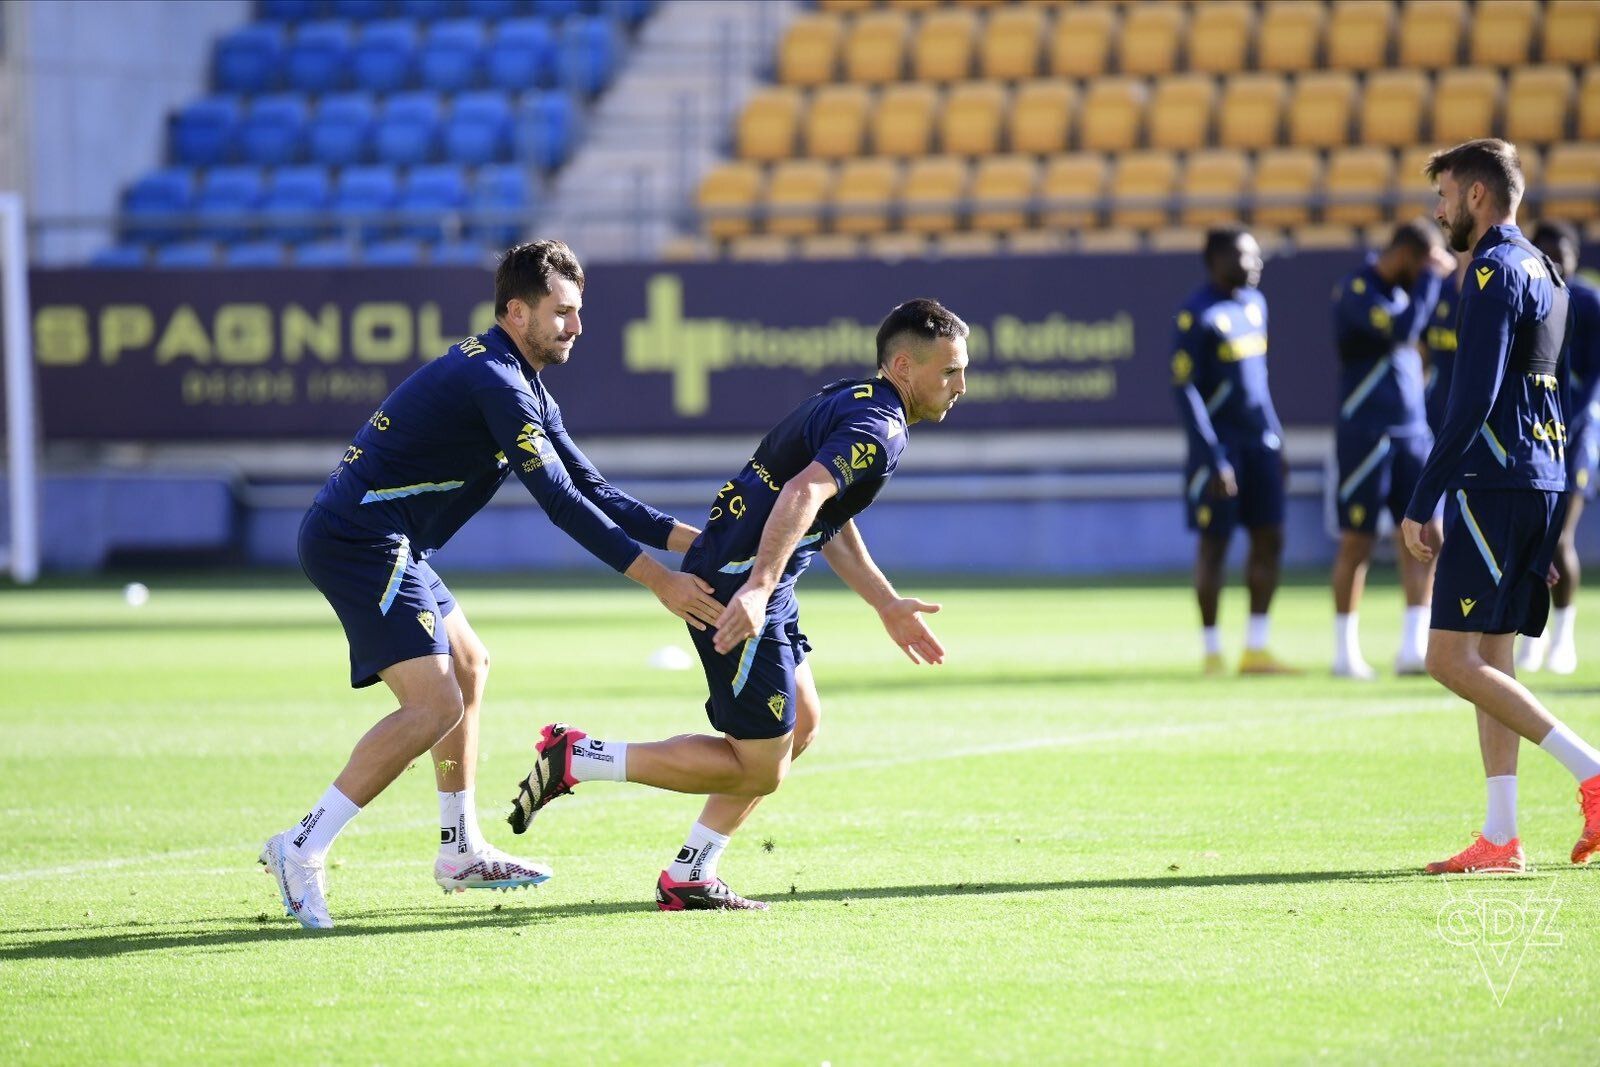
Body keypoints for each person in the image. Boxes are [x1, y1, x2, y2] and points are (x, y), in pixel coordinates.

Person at [261, 240, 723, 928]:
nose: (576, 326)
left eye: (578, 311)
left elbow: (594, 489)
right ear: (516, 311)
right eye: (561, 312)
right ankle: (302, 845)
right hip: (361, 539)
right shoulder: (498, 384)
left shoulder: (520, 379)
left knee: (469, 666)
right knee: (433, 703)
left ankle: (459, 848)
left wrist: (705, 543)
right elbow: (563, 504)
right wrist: (660, 580)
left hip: (391, 540)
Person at [505, 298, 967, 910]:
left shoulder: (855, 399)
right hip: (737, 588)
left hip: (756, 583)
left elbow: (826, 512)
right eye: (950, 371)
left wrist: (883, 603)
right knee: (759, 767)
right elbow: (804, 493)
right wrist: (756, 587)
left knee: (800, 724)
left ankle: (692, 873)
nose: (961, 385)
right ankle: (579, 758)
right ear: (904, 367)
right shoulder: (878, 428)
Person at [1399, 139, 1600, 874]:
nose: (1439, 209)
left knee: (1447, 657)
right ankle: (1501, 836)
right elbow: (1556, 387)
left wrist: (1425, 496)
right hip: (1542, 476)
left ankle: (1591, 769)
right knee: (1493, 655)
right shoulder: (1548, 270)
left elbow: (1473, 397)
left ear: (1477, 196)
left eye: (1445, 195)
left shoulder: (1488, 269)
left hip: (1497, 479)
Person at [1328, 220, 1457, 679]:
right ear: (1406, 255)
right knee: (1357, 540)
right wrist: (1429, 279)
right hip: (1366, 433)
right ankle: (1344, 651)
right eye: (1424, 265)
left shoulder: (1408, 291)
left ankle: (1412, 647)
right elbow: (1401, 331)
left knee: (1425, 536)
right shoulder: (1357, 289)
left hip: (1412, 433)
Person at [1172, 226, 1296, 675]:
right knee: (1215, 544)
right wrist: (1211, 456)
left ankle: (1256, 649)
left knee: (1270, 538)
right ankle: (1211, 651)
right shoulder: (1196, 314)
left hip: (1259, 444)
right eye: (1248, 257)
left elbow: (1259, 386)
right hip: (1220, 448)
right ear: (1218, 260)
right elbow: (1186, 392)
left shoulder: (1256, 306)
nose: (1257, 264)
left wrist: (1277, 438)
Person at [1515, 220, 1600, 675]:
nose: (1552, 264)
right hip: (1533, 431)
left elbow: (1595, 381)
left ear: (1573, 256)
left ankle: (1564, 636)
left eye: (1558, 255)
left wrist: (1572, 419)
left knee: (1559, 535)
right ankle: (1535, 631)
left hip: (1576, 432)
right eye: (1543, 254)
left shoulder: (1589, 301)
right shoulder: (1530, 297)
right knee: (1531, 533)